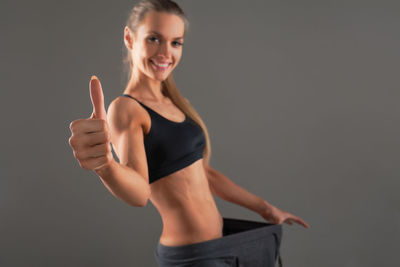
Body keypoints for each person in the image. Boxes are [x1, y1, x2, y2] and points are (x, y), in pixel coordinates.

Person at [68, 0, 310, 266]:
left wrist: (266, 209)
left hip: (223, 245)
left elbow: (205, 175)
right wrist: (106, 166)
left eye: (176, 42)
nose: (165, 53)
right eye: (153, 39)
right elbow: (139, 193)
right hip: (194, 259)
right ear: (129, 37)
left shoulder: (174, 104)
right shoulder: (127, 109)